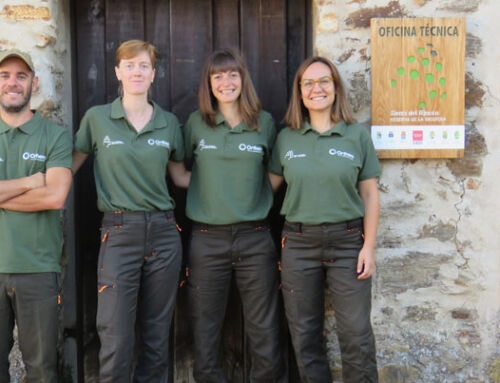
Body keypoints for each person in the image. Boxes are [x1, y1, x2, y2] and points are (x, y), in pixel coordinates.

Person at [73, 40, 189, 383]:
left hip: (165, 233)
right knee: (116, 332)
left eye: (144, 65)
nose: (136, 71)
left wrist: (231, 177)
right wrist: (29, 185)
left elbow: (180, 175)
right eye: (130, 65)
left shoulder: (168, 123)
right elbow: (68, 167)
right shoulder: (97, 119)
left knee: (157, 332)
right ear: (117, 72)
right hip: (118, 231)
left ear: (154, 74)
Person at [269, 56, 380, 383]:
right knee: (304, 334)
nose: (317, 89)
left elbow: (370, 194)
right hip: (299, 244)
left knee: (356, 333)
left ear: (335, 88)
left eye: (324, 81)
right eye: (308, 83)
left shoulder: (355, 136)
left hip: (348, 243)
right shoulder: (286, 138)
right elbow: (264, 187)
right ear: (299, 92)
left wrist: (368, 247)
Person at [184, 49, 282, 382]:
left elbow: (276, 173)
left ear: (243, 78)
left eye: (232, 74)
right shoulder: (197, 123)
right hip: (207, 239)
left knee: (264, 326)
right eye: (217, 76)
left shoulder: (264, 123)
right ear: (209, 84)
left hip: (255, 237)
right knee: (205, 325)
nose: (226, 82)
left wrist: (252, 196)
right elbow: (182, 170)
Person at [0, 49, 73, 382]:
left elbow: (56, 196)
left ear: (35, 82)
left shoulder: (54, 135)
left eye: (21, 75)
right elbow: (42, 190)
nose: (12, 83)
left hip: (38, 269)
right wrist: (30, 182)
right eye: (4, 76)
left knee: (43, 370)